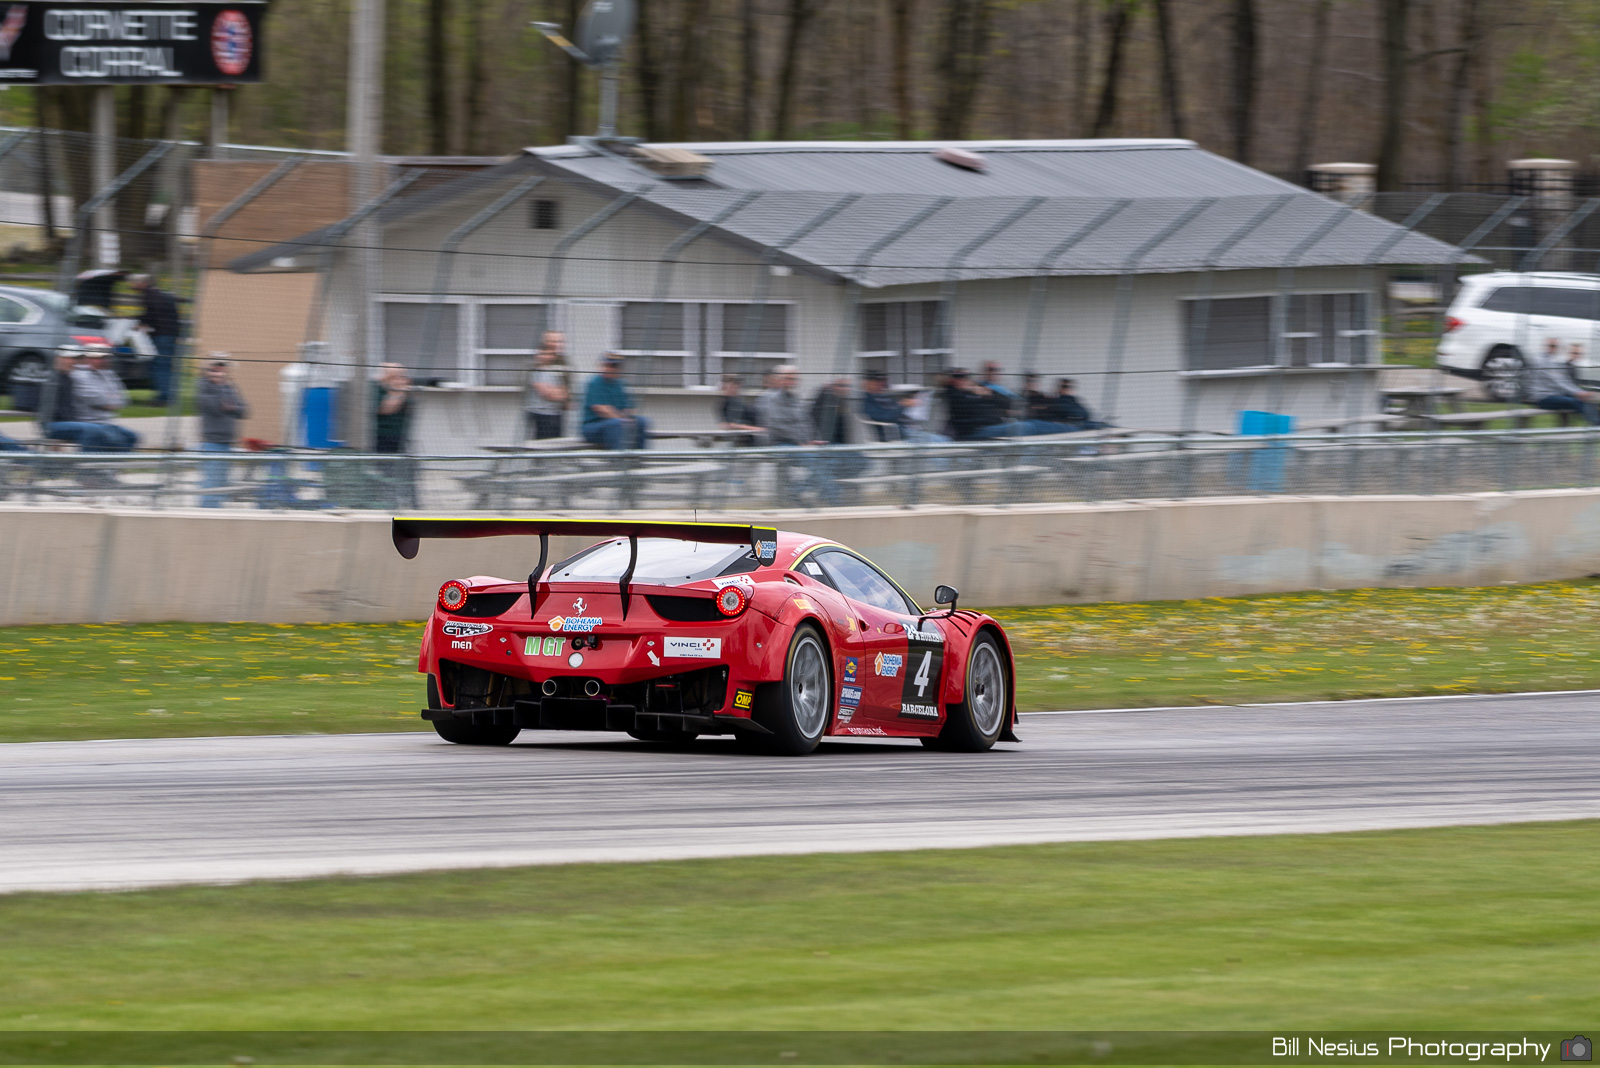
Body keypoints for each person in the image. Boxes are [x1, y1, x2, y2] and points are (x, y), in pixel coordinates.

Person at [195, 358, 250, 507]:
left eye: (222, 369)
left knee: (221, 482)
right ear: (207, 371)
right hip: (212, 442)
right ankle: (206, 512)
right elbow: (215, 406)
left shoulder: (230, 387)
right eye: (215, 369)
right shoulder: (203, 388)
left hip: (227, 441)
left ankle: (216, 512)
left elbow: (244, 410)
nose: (219, 373)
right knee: (212, 482)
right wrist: (222, 392)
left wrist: (231, 406)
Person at [70, 345, 140, 451]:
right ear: (88, 358)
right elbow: (95, 399)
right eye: (99, 358)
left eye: (105, 357)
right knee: (115, 439)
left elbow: (124, 399)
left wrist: (109, 399)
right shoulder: (79, 375)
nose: (103, 360)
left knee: (131, 436)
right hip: (87, 422)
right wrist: (110, 398)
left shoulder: (109, 374)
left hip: (107, 423)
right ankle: (89, 465)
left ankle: (112, 465)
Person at [129, 275, 181, 405]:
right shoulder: (160, 294)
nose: (131, 285)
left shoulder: (149, 294)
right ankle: (168, 396)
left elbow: (153, 313)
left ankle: (164, 397)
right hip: (171, 334)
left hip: (162, 335)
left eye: (134, 282)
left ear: (142, 283)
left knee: (160, 365)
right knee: (166, 365)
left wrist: (142, 323)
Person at [582, 355, 651, 450]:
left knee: (641, 421)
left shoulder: (620, 384)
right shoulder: (594, 383)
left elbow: (630, 408)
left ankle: (637, 458)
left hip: (616, 424)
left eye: (613, 366)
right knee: (616, 424)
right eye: (607, 366)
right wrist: (623, 419)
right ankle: (617, 461)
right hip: (593, 428)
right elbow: (601, 409)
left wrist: (628, 417)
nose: (609, 369)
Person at [1526, 339, 1600, 425]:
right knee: (1575, 401)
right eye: (1551, 346)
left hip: (1555, 395)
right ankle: (1596, 425)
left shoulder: (1554, 361)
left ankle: (1595, 422)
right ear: (1545, 346)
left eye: (1556, 346)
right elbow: (1557, 382)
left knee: (1585, 401)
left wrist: (1580, 393)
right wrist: (1579, 393)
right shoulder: (1540, 361)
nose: (1554, 349)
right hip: (1543, 398)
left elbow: (1566, 381)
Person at [754, 364, 819, 446]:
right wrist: (800, 442)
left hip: (798, 443)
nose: (791, 382)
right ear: (777, 379)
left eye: (794, 379)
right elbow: (776, 427)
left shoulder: (796, 399)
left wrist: (809, 440)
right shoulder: (768, 398)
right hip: (778, 443)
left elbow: (805, 422)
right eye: (787, 379)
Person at [524, 331, 571, 440]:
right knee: (541, 442)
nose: (547, 356)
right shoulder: (535, 371)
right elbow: (546, 394)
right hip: (539, 414)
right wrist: (555, 393)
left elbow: (565, 392)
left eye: (550, 354)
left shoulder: (558, 369)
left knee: (556, 443)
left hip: (556, 414)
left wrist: (558, 393)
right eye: (544, 353)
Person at [942, 368, 1004, 441]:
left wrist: (989, 394)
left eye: (964, 378)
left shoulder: (978, 388)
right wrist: (971, 390)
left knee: (1018, 426)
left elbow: (1005, 402)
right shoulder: (954, 394)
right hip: (974, 431)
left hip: (993, 426)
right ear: (952, 381)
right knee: (1017, 427)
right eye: (958, 379)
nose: (961, 381)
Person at [718, 374, 763, 445]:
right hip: (741, 441)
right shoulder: (725, 403)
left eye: (737, 386)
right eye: (732, 387)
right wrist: (755, 429)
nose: (735, 389)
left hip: (753, 440)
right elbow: (728, 425)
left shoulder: (737, 401)